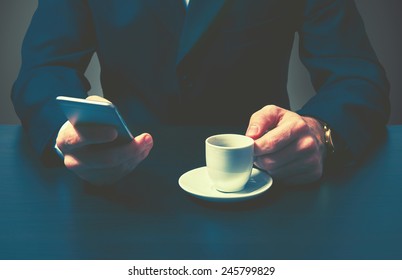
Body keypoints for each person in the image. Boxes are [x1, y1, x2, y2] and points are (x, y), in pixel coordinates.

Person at [12, 0, 390, 186]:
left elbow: (357, 76)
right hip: (118, 191)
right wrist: (70, 139)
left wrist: (321, 132)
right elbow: (45, 68)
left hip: (268, 188)